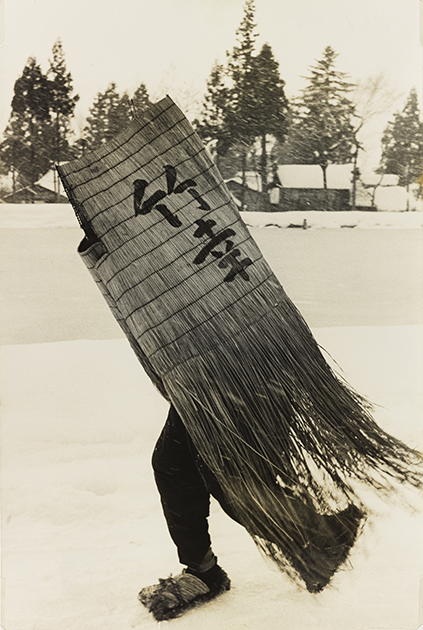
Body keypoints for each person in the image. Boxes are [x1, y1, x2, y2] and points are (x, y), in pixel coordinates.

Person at [138, 405, 232, 622]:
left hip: (236, 379)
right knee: (174, 461)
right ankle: (203, 570)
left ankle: (320, 542)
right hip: (202, 380)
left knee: (234, 478)